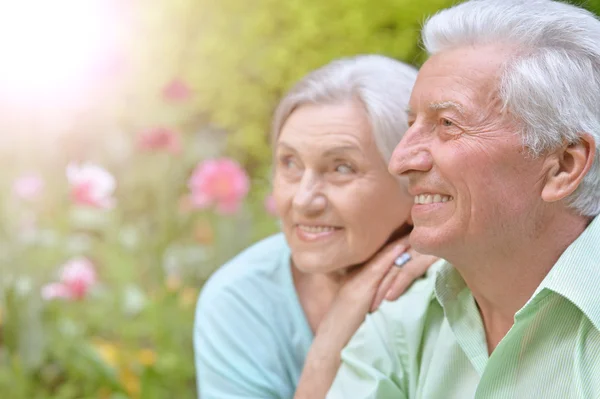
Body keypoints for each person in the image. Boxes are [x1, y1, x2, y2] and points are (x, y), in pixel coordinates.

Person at [323, 1, 600, 398]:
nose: (401, 160)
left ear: (563, 165)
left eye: (447, 124)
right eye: (410, 124)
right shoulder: (408, 321)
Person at [193, 55, 440, 399]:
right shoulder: (241, 301)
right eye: (289, 163)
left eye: (341, 168)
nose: (303, 200)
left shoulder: (460, 288)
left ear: (413, 183)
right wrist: (327, 350)